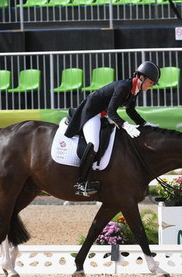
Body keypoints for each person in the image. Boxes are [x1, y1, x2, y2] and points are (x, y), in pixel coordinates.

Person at [64, 61, 161, 196]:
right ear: (141, 78)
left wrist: (144, 124)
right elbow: (111, 112)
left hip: (103, 113)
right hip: (91, 113)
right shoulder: (124, 86)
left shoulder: (135, 90)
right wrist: (126, 126)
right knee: (94, 145)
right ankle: (82, 182)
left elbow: (130, 111)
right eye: (151, 82)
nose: (151, 86)